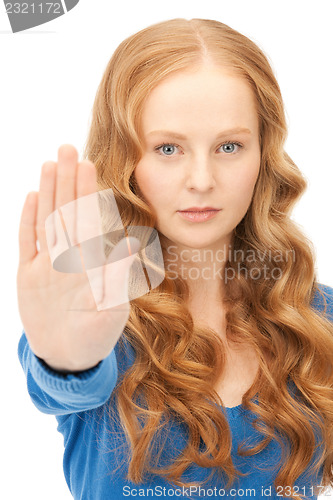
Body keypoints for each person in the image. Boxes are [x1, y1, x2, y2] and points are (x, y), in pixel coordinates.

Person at [17, 18, 333, 500]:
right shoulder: (89, 315)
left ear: (263, 154)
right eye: (168, 148)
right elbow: (62, 383)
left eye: (230, 146)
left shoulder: (318, 318)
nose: (202, 179)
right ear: (126, 160)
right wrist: (66, 362)